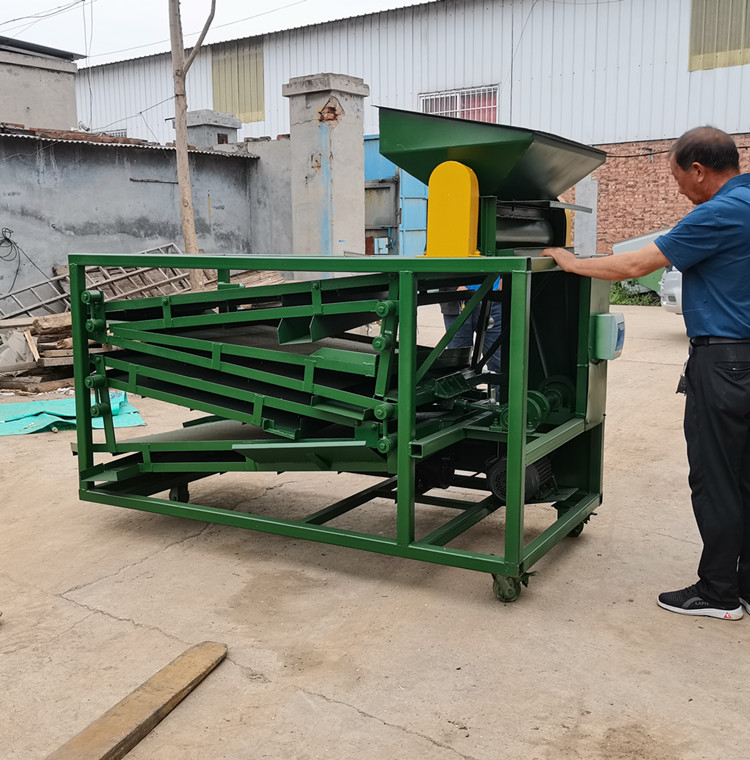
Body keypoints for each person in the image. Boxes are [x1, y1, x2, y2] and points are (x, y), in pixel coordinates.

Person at [542, 126, 750, 621]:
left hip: (726, 363)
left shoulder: (719, 213)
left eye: (677, 179)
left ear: (697, 170)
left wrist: (571, 263)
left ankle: (719, 592)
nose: (679, 190)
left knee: (717, 477)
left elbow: (634, 266)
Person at [440, 280, 503, 376]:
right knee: (459, 364)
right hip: (458, 298)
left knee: (499, 363)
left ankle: (499, 385)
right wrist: (453, 287)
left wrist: (505, 277)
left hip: (493, 296)